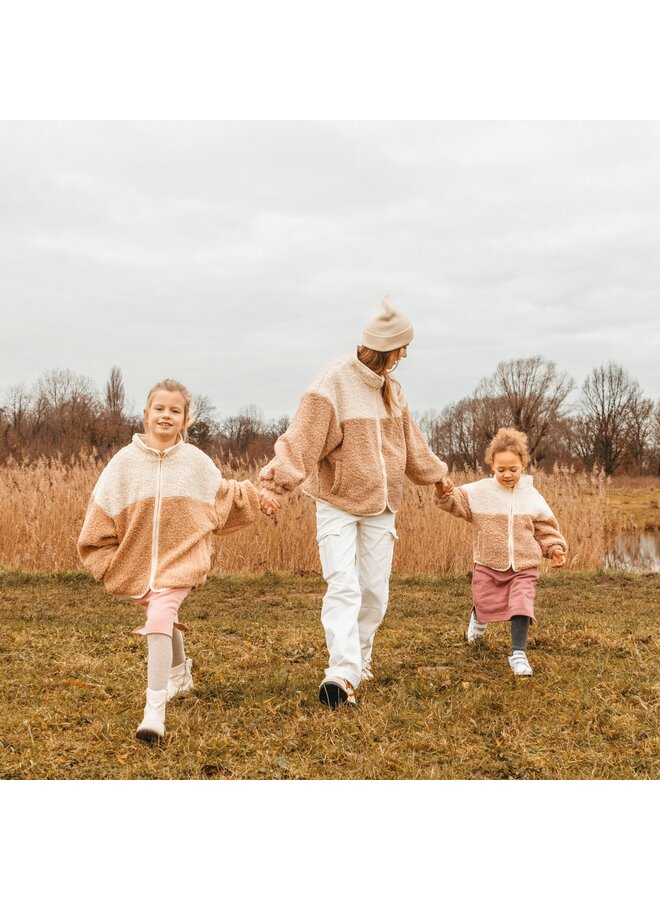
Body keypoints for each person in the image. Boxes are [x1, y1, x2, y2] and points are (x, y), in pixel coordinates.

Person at [259, 296, 451, 707]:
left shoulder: (392, 390)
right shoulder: (332, 383)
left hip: (382, 507)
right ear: (388, 347)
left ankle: (360, 661)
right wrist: (275, 485)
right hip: (337, 502)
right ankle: (342, 674)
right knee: (343, 585)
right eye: (403, 347)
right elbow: (302, 439)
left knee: (374, 592)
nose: (406, 355)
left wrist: (438, 477)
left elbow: (413, 445)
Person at [77, 378, 259, 742]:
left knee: (160, 614)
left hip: (182, 560)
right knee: (161, 612)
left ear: (185, 419)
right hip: (137, 564)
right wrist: (108, 563)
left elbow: (224, 496)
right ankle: (179, 674)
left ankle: (154, 713)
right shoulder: (123, 463)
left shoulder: (195, 462)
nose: (166, 415)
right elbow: (99, 517)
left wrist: (261, 494)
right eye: (159, 408)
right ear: (145, 414)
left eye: (175, 410)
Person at [435, 427, 567, 676]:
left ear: (523, 465)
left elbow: (545, 528)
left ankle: (518, 654)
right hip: (488, 561)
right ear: (492, 466)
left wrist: (555, 549)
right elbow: (456, 502)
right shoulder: (480, 491)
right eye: (501, 469)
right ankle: (478, 620)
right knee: (484, 600)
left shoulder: (532, 495)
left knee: (522, 604)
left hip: (525, 564)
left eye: (513, 469)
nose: (507, 474)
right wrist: (444, 492)